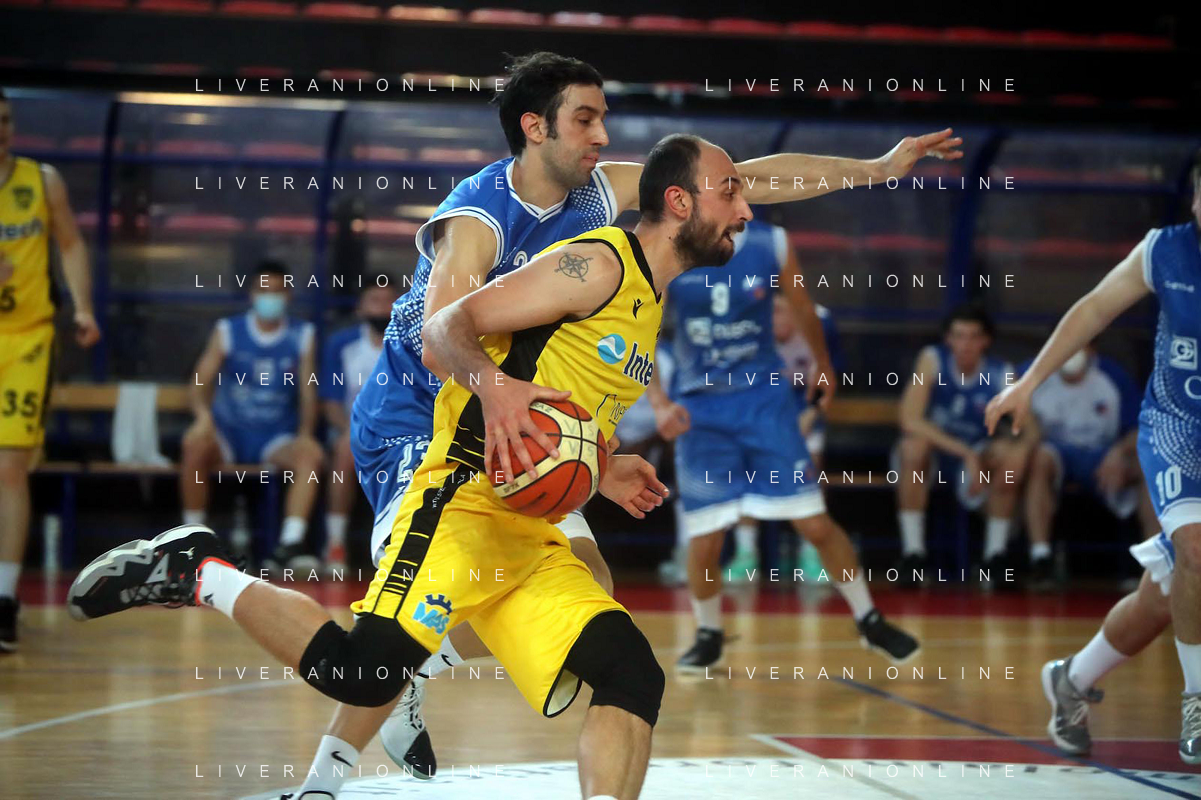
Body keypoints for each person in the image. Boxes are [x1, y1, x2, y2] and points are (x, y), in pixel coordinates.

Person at [315, 49, 965, 792]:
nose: (601, 134)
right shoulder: (479, 217)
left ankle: (416, 669)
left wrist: (876, 168)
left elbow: (748, 179)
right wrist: (518, 408)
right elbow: (439, 340)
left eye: (604, 118)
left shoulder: (598, 193)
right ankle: (328, 765)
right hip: (416, 415)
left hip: (512, 412)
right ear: (534, 127)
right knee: (409, 616)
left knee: (589, 579)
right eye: (585, 119)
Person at [68, 132, 757, 800]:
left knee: (631, 673)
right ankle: (200, 571)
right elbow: (444, 327)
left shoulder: (648, 300)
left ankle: (376, 722)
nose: (746, 208)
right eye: (729, 191)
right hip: (461, 500)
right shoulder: (596, 264)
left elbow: (554, 403)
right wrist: (493, 388)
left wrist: (599, 466)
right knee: (359, 673)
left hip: (529, 525)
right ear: (678, 201)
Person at [985, 153, 1201, 764]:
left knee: (1164, 596)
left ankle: (1072, 678)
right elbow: (1094, 308)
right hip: (1179, 428)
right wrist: (1030, 382)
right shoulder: (1165, 251)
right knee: (1196, 552)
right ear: (1194, 200)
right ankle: (1198, 700)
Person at [648, 218, 919, 671]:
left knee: (814, 522)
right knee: (705, 535)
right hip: (701, 411)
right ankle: (709, 633)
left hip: (765, 406)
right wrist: (658, 400)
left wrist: (824, 366)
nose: (738, 200)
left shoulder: (770, 242)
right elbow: (641, 324)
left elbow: (803, 306)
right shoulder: (668, 243)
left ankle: (869, 619)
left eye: (738, 188)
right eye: (725, 189)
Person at [0, 87, 101, 651]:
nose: (1, 129)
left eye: (6, 119)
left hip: (26, 338)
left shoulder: (41, 181)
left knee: (10, 468)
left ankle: (4, 599)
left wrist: (82, 307)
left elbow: (70, 244)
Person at [179, 259, 325, 571]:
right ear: (252, 293)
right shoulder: (228, 330)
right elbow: (200, 382)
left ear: (288, 295)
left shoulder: (303, 334)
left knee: (310, 455)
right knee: (194, 444)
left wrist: (305, 433)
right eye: (263, 290)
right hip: (228, 433)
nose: (270, 297)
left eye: (277, 291)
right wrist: (202, 418)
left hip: (275, 436)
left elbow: (308, 391)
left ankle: (290, 545)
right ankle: (192, 541)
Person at [893, 304, 1036, 588]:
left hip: (979, 461)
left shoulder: (1000, 373)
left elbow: (1031, 429)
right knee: (913, 448)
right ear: (948, 339)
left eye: (973, 337)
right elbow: (909, 419)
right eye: (959, 336)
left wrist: (1019, 449)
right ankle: (913, 555)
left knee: (1012, 460)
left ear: (986, 341)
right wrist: (965, 452)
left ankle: (995, 557)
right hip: (937, 456)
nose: (966, 344)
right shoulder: (932, 360)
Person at [1023, 344, 1158, 589]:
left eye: (1079, 345)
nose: (1071, 353)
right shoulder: (1033, 373)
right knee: (1039, 458)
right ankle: (1041, 559)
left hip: (1104, 454)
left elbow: (1141, 427)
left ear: (1092, 351)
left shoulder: (1113, 375)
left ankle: (1154, 566)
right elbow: (1012, 407)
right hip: (1056, 454)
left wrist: (1119, 451)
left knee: (1148, 465)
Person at [318, 279, 399, 571]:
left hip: (399, 432)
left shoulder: (410, 342)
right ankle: (335, 545)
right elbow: (330, 402)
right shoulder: (342, 343)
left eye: (389, 301)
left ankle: (399, 547)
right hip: (352, 431)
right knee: (346, 448)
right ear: (360, 308)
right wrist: (355, 431)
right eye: (375, 301)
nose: (382, 308)